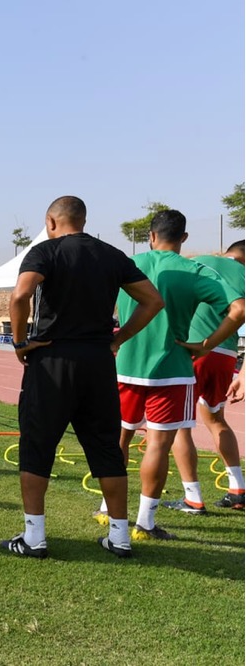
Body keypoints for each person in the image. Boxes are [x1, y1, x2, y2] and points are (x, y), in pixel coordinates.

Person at [2, 196, 163, 559]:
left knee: (37, 445)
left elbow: (20, 295)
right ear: (84, 221)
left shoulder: (45, 251)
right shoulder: (111, 255)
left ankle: (34, 537)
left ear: (51, 221)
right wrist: (118, 339)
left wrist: (19, 342)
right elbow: (153, 301)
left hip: (52, 360)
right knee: (106, 447)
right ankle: (120, 536)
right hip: (98, 362)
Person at [113, 210, 243, 540]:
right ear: (183, 238)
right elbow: (239, 309)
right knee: (159, 443)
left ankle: (108, 509)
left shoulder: (128, 264)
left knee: (120, 437)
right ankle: (145, 522)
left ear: (150, 236)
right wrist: (207, 344)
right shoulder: (194, 270)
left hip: (126, 365)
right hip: (173, 370)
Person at [165, 241, 245, 513]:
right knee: (215, 418)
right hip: (227, 355)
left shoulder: (198, 263)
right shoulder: (244, 276)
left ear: (226, 253)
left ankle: (192, 497)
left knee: (179, 424)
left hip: (195, 348)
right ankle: (238, 489)